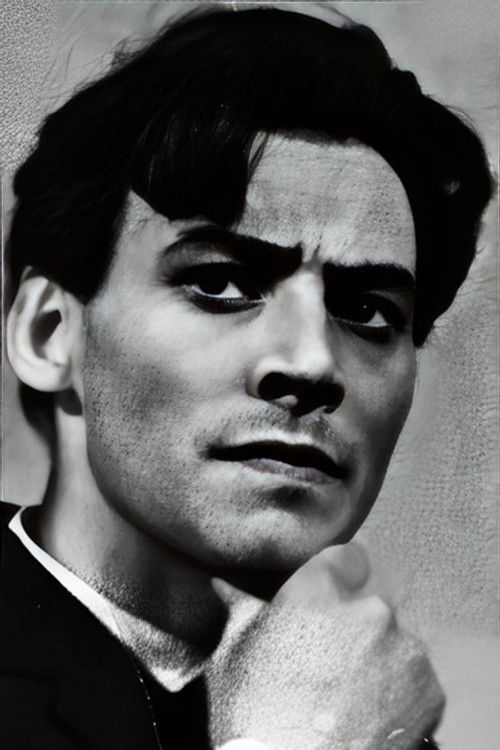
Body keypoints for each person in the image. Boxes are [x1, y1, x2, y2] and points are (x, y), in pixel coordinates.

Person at [0, 5, 492, 749]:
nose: (312, 363)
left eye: (367, 311)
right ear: (48, 333)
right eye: (221, 284)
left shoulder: (379, 726)